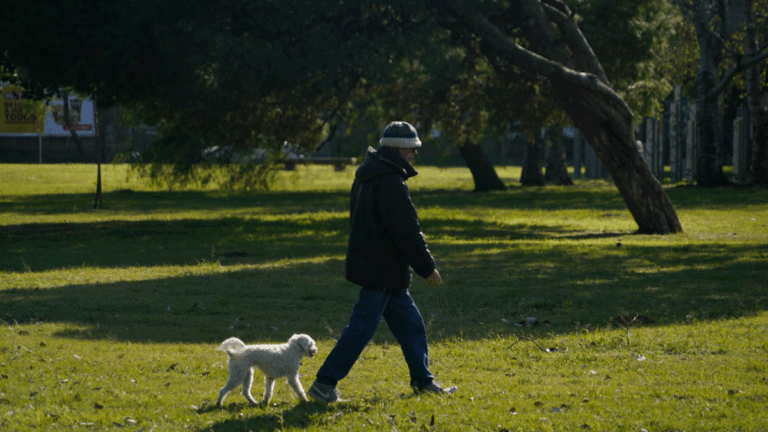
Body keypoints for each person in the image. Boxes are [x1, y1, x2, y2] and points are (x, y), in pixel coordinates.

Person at [307, 121, 455, 402]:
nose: (414, 154)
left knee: (411, 326)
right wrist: (427, 268)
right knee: (361, 328)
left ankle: (423, 382)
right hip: (383, 271)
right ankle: (324, 383)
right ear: (398, 148)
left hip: (380, 269)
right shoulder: (391, 181)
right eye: (412, 148)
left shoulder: (367, 174)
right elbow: (407, 232)